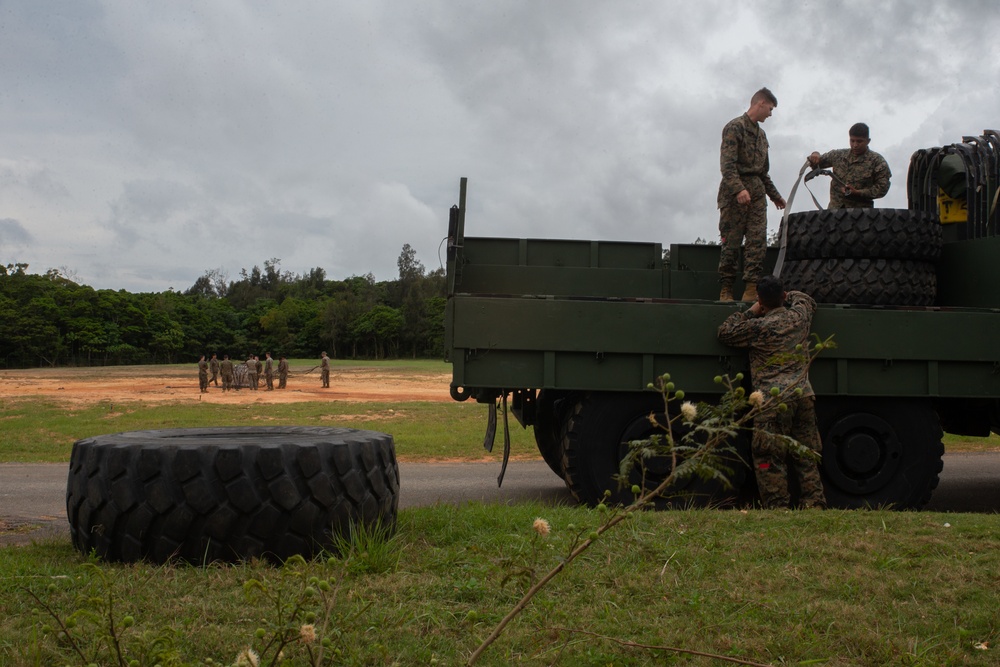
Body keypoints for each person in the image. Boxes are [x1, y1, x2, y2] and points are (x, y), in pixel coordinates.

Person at [717, 275, 826, 510]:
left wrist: (752, 310)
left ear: (760, 299)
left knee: (768, 456)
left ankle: (778, 507)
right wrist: (789, 295)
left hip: (773, 399)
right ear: (784, 296)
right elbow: (806, 300)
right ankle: (814, 503)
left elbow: (725, 332)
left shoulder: (759, 327)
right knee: (806, 454)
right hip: (803, 395)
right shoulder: (799, 318)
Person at [717, 87, 787, 303]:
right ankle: (726, 289)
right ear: (760, 103)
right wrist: (739, 189)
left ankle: (750, 289)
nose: (771, 114)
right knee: (732, 242)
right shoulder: (734, 127)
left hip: (757, 195)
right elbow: (727, 166)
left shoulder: (762, 136)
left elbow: (763, 172)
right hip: (733, 195)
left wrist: (775, 196)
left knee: (757, 242)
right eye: (770, 109)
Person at [807, 122, 891, 209]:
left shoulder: (877, 161)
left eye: (859, 141)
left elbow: (882, 189)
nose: (855, 145)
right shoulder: (838, 155)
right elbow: (816, 161)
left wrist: (858, 193)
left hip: (862, 215)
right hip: (834, 213)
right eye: (852, 140)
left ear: (868, 141)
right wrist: (815, 154)